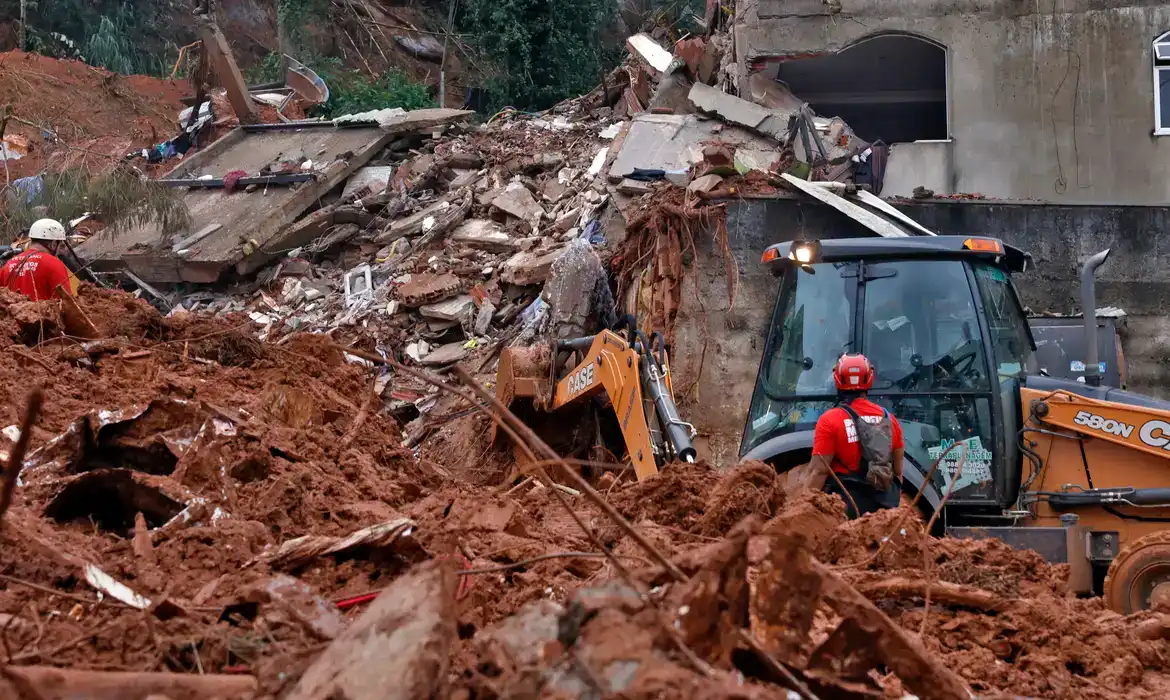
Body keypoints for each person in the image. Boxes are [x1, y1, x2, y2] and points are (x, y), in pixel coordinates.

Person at [809, 353, 905, 518]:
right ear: (870, 378)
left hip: (846, 508)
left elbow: (819, 471)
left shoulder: (829, 420)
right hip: (884, 509)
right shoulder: (890, 419)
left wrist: (803, 506)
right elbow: (897, 470)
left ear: (837, 379)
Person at [0, 219, 77, 301]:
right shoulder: (54, 264)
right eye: (60, 246)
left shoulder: (8, 264)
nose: (59, 251)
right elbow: (68, 303)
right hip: (43, 313)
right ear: (54, 244)